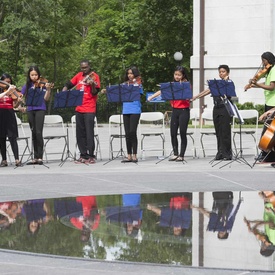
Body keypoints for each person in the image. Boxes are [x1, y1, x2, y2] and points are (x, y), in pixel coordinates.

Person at [148, 66, 190, 162]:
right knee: (173, 133)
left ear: (183, 75)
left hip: (184, 110)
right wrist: (152, 97)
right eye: (175, 74)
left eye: (179, 75)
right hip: (175, 110)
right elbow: (162, 90)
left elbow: (188, 96)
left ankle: (182, 155)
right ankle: (175, 153)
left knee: (183, 133)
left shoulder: (186, 85)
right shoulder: (171, 85)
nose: (177, 76)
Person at [62, 60, 100, 164]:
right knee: (80, 134)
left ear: (89, 67)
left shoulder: (94, 76)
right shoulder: (79, 76)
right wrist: (64, 90)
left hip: (89, 108)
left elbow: (95, 92)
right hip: (79, 108)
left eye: (86, 67)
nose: (84, 69)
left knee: (89, 133)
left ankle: (91, 155)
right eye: (82, 68)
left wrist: (92, 85)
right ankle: (83, 155)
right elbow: (69, 84)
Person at [192, 65, 233, 160]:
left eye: (223, 72)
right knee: (218, 131)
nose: (221, 73)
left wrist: (225, 81)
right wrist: (196, 97)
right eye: (220, 72)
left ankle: (227, 153)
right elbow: (208, 90)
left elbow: (229, 93)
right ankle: (220, 152)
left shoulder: (230, 83)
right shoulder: (216, 84)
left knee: (225, 131)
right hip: (217, 108)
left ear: (227, 73)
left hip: (225, 108)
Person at [245, 52, 275, 162]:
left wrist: (256, 84)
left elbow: (271, 87)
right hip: (269, 102)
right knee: (269, 131)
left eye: (264, 60)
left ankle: (267, 155)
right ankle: (267, 155)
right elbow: (266, 83)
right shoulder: (269, 71)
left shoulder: (274, 69)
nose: (262, 63)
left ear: (268, 59)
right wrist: (254, 85)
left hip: (273, 103)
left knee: (269, 132)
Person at [21, 66, 52, 165]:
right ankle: (35, 157)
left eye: (36, 75)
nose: (34, 77)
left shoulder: (43, 84)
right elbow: (21, 96)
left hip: (40, 109)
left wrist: (48, 90)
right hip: (30, 109)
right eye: (32, 75)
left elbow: (46, 99)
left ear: (38, 75)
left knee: (39, 132)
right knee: (33, 132)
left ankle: (40, 157)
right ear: (29, 75)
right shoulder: (27, 85)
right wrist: (21, 104)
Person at [0, 73, 23, 167]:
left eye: (9, 82)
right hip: (0, 113)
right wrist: (7, 91)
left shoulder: (13, 91)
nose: (8, 84)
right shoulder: (4, 90)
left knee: (12, 137)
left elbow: (15, 106)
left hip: (10, 113)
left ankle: (17, 159)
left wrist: (18, 102)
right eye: (6, 82)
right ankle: (4, 160)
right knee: (1, 138)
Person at [121, 66, 143, 163]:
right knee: (127, 133)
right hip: (126, 110)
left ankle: (135, 155)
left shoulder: (138, 84)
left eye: (131, 73)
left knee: (132, 132)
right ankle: (128, 155)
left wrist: (135, 84)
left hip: (135, 109)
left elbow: (140, 94)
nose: (129, 75)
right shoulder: (124, 85)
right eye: (128, 73)